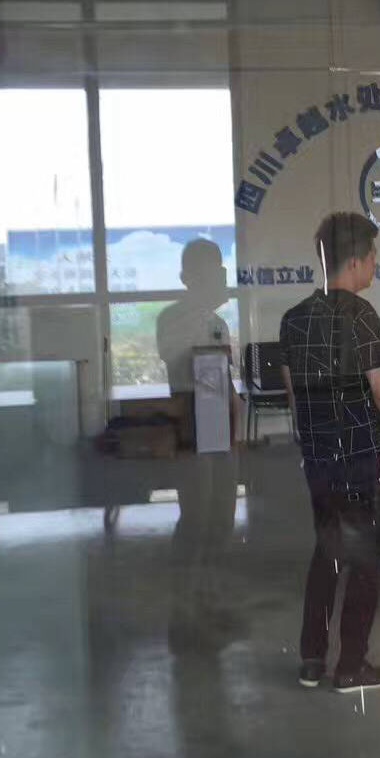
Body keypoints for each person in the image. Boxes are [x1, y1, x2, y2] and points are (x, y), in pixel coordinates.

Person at [280, 212, 380, 694]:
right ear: (355, 260)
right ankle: (352, 666)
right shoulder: (360, 315)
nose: (375, 264)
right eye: (373, 256)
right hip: (359, 455)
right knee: (366, 558)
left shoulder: (293, 318)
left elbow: (294, 393)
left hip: (318, 458)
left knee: (327, 549)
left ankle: (312, 659)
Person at [156, 239, 238, 654]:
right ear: (187, 277)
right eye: (208, 271)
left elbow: (225, 378)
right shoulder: (172, 318)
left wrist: (237, 427)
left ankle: (212, 603)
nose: (218, 277)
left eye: (219, 269)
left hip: (220, 427)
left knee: (221, 518)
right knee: (196, 519)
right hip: (192, 428)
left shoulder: (218, 322)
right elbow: (184, 363)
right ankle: (184, 614)